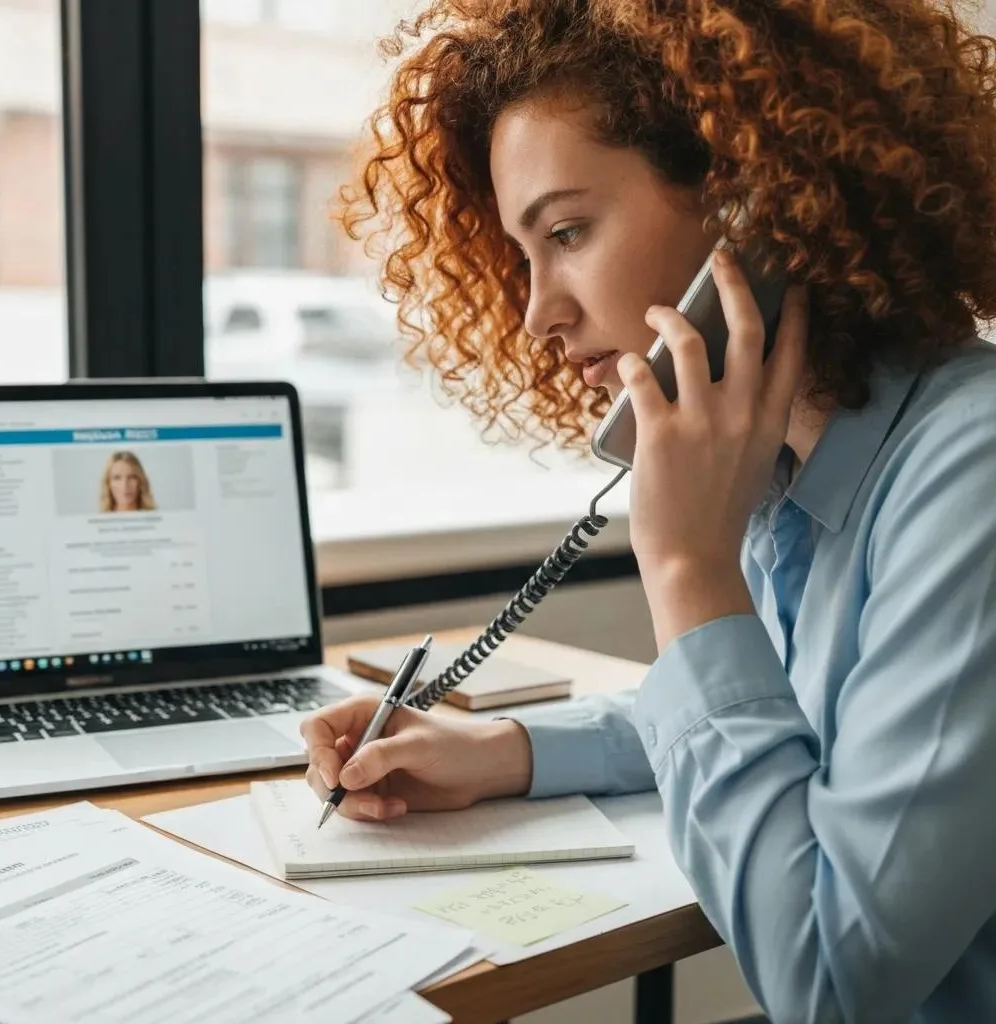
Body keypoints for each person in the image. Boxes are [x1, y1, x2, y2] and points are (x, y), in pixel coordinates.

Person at [301, 2, 996, 1020]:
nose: (537, 313)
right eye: (525, 254)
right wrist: (509, 753)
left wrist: (687, 570)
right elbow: (805, 710)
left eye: (567, 233)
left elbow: (832, 982)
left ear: (756, 208)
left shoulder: (971, 475)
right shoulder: (790, 459)